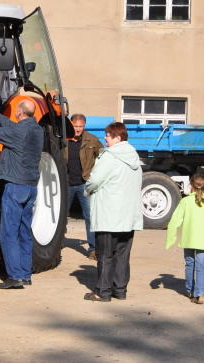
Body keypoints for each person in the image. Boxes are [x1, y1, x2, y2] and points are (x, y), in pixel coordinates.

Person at [0, 99, 44, 289]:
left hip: (15, 186)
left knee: (9, 233)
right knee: (25, 232)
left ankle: (15, 276)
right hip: (31, 187)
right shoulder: (36, 130)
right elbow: (14, 128)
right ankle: (25, 274)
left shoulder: (18, 132)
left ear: (18, 112)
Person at [83, 121, 143, 302]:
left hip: (109, 214)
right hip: (128, 216)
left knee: (106, 255)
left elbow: (94, 180)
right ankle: (120, 290)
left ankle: (103, 291)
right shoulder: (134, 158)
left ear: (118, 138)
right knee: (122, 255)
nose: (105, 138)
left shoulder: (109, 157)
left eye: (108, 135)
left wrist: (87, 190)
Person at [165, 172, 204, 305]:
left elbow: (174, 221)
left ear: (190, 186)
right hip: (203, 240)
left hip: (188, 239)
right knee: (201, 266)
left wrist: (170, 239)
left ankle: (190, 291)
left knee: (189, 264)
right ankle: (200, 294)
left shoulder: (185, 201)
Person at [63, 113, 103, 260]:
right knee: (60, 217)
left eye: (81, 126)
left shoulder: (92, 140)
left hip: (84, 184)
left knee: (90, 217)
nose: (78, 129)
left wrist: (97, 178)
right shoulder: (62, 139)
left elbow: (104, 158)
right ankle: (58, 244)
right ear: (70, 125)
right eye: (75, 126)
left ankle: (93, 249)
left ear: (84, 126)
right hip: (65, 184)